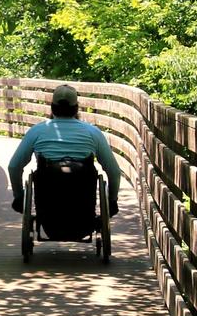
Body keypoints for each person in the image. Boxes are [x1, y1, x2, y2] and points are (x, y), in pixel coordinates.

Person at [8, 84, 121, 227]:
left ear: (52, 107)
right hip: (83, 215)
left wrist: (19, 197)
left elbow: (13, 166)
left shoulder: (37, 131)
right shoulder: (93, 133)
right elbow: (114, 172)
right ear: (76, 108)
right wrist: (112, 201)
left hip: (49, 219)